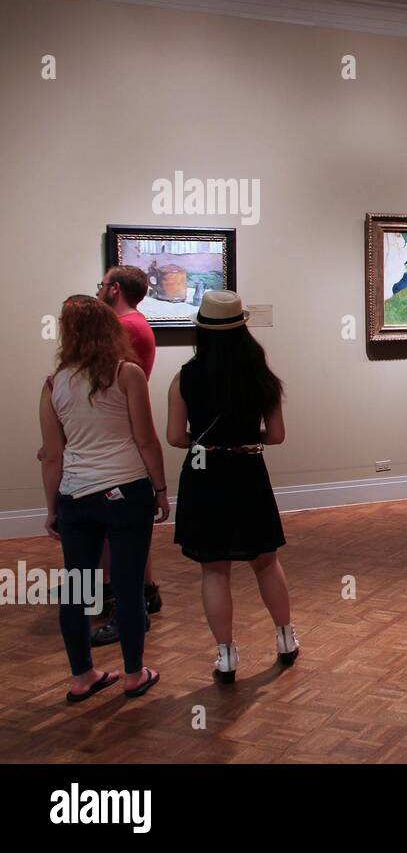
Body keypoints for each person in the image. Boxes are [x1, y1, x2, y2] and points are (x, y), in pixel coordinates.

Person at [39, 295, 167, 702]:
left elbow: (52, 454)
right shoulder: (128, 373)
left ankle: (82, 677)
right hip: (126, 490)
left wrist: (51, 508)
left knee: (77, 587)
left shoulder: (53, 383)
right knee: (128, 586)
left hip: (76, 495)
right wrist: (161, 490)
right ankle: (133, 675)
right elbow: (146, 439)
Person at [166, 290, 298, 684]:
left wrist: (210, 440)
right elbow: (275, 436)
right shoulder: (263, 378)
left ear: (202, 331)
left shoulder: (184, 378)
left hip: (205, 474)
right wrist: (242, 434)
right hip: (247, 471)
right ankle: (285, 639)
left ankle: (225, 656)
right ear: (243, 329)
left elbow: (175, 436)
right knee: (266, 561)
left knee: (214, 570)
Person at [90, 265, 163, 646]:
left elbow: (100, 379)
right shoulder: (135, 324)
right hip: (118, 434)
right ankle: (141, 592)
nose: (99, 289)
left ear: (114, 288)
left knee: (117, 529)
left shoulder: (127, 328)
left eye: (102, 284)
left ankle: (128, 601)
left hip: (117, 437)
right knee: (125, 528)